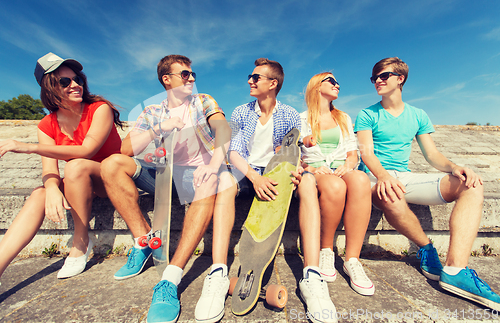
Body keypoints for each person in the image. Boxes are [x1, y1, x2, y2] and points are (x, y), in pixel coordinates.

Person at [194, 58, 336, 323]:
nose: (250, 80)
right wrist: (253, 178)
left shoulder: (291, 114)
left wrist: (294, 168)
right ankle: (218, 273)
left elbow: (291, 151)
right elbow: (233, 151)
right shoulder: (240, 112)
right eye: (251, 76)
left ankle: (312, 277)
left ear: (273, 83)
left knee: (307, 182)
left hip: (277, 175)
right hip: (246, 173)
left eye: (255, 77)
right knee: (224, 182)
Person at [354, 57, 500, 310]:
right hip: (372, 177)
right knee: (391, 193)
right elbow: (366, 153)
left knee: (470, 185)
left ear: (400, 79)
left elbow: (432, 156)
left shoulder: (418, 115)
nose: (378, 80)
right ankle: (426, 248)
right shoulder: (367, 114)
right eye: (374, 77)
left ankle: (455, 270)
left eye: (384, 75)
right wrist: (384, 177)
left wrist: (455, 168)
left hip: (404, 175)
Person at [100, 54, 231, 323]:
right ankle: (143, 243)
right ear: (167, 79)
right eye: (185, 74)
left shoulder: (203, 101)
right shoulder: (152, 112)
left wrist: (215, 164)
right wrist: (160, 127)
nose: (192, 78)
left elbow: (223, 130)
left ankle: (169, 280)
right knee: (112, 164)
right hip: (166, 177)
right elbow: (125, 149)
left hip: (200, 175)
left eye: (193, 74)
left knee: (211, 180)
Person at [0, 52, 122, 281]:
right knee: (39, 194)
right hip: (81, 186)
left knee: (75, 165)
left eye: (78, 80)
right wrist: (53, 188)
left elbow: (87, 151)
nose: (75, 85)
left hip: (112, 179)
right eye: (65, 82)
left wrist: (29, 147)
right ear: (49, 88)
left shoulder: (99, 109)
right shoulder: (47, 124)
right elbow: (50, 170)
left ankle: (81, 241)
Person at [299, 72, 374, 296]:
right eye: (331, 80)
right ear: (316, 86)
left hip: (342, 167)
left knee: (361, 179)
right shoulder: (301, 118)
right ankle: (326, 250)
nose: (337, 84)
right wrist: (309, 168)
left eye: (337, 81)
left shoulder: (343, 117)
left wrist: (350, 164)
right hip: (317, 170)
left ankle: (352, 260)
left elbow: (353, 151)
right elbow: (294, 152)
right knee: (334, 186)